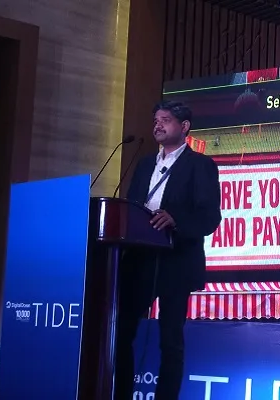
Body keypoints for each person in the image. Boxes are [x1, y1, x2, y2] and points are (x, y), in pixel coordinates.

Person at [115, 101, 222, 400]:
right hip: (140, 261)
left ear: (184, 127)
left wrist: (176, 220)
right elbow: (131, 206)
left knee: (170, 342)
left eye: (165, 120)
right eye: (155, 120)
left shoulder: (200, 165)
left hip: (177, 263)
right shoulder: (144, 164)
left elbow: (210, 217)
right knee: (120, 334)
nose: (158, 125)